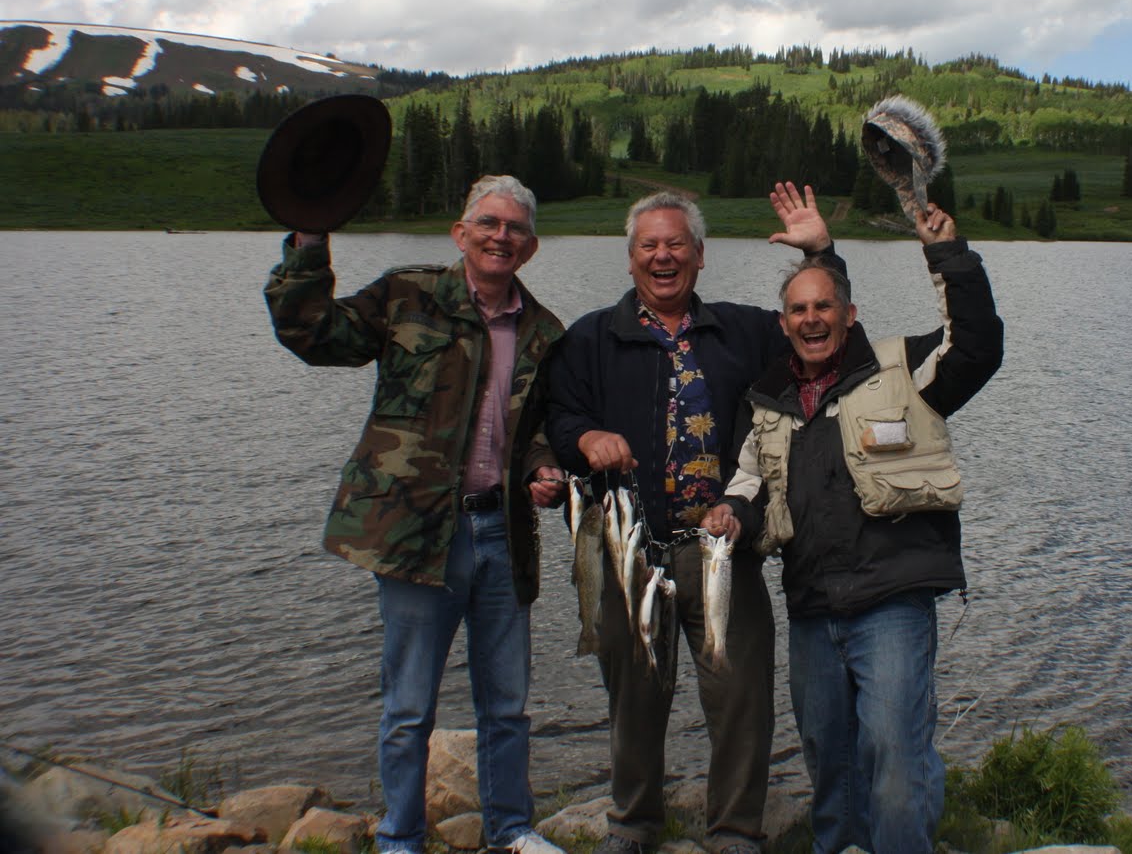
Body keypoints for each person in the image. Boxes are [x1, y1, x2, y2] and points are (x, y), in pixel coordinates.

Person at [265, 174, 568, 854]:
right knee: (408, 709)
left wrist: (543, 466)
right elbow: (313, 332)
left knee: (508, 704)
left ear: (532, 246)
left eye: (515, 228)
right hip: (416, 535)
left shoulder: (546, 331)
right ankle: (400, 837)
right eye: (488, 223)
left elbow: (542, 428)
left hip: (503, 533)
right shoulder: (408, 294)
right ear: (461, 233)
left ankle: (510, 829)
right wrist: (310, 241)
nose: (501, 236)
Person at [543, 184, 838, 854]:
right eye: (649, 245)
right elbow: (557, 415)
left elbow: (824, 328)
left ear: (700, 256)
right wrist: (585, 438)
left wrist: (821, 249)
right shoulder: (590, 337)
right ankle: (633, 821)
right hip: (628, 551)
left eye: (676, 243)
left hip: (722, 549)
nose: (663, 255)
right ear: (630, 258)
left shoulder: (743, 330)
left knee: (741, 697)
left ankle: (734, 828)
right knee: (633, 696)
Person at [722, 203, 1003, 854]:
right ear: (783, 322)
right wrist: (728, 514)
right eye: (798, 310)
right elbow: (745, 482)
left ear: (848, 315)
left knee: (896, 758)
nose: (811, 318)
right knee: (831, 769)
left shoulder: (902, 370)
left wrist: (950, 255)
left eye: (825, 306)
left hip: (892, 606)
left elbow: (978, 346)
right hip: (813, 611)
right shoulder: (766, 403)